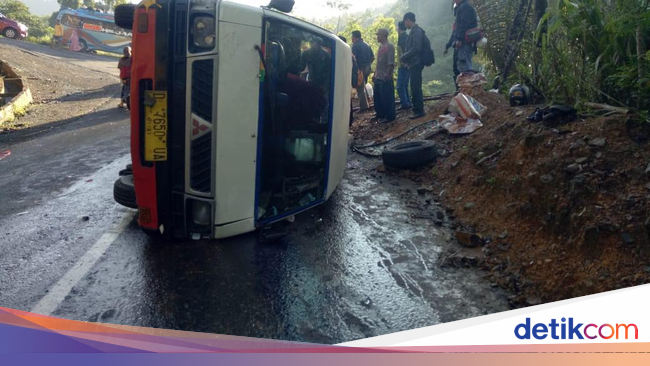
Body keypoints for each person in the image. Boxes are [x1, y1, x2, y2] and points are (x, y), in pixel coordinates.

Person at [400, 12, 426, 119]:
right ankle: (416, 109)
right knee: (414, 86)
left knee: (415, 87)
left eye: (405, 22)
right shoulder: (414, 31)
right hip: (413, 63)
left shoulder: (416, 31)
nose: (405, 25)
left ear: (408, 20)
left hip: (416, 62)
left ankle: (419, 110)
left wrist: (404, 56)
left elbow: (417, 48)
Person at [373, 28, 396, 123]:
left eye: (378, 35)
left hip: (385, 77)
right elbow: (378, 63)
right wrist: (375, 74)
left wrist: (388, 74)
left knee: (386, 97)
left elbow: (391, 63)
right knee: (378, 97)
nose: (377, 37)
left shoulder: (389, 47)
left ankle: (389, 116)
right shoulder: (380, 47)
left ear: (383, 36)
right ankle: (380, 114)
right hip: (378, 76)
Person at [450, 0, 478, 74]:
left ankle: (470, 84)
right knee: (461, 68)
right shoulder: (463, 7)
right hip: (464, 42)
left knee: (465, 69)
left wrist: (460, 39)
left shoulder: (465, 7)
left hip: (464, 43)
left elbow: (464, 25)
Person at [351, 30, 374, 112]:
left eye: (352, 37)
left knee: (360, 87)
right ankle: (368, 102)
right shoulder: (367, 45)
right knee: (363, 85)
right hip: (368, 67)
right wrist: (368, 64)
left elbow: (353, 58)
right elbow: (373, 57)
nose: (351, 39)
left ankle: (363, 107)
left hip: (360, 69)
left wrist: (356, 69)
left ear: (355, 37)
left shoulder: (355, 46)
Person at [396, 21, 412, 111]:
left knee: (400, 85)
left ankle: (404, 103)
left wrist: (403, 62)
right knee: (405, 84)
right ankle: (408, 102)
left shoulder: (402, 38)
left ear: (399, 28)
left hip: (403, 65)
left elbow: (403, 51)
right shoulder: (406, 37)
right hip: (406, 64)